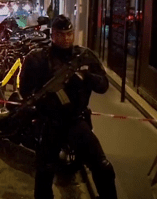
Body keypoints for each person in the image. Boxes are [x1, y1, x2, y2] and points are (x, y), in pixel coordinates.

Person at [19, 15, 117, 199]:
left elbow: (103, 86)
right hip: (50, 123)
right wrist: (45, 103)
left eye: (69, 34)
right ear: (52, 35)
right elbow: (25, 90)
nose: (66, 39)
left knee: (103, 166)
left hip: (76, 121)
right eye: (60, 34)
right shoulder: (38, 58)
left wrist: (86, 77)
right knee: (44, 172)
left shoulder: (84, 56)